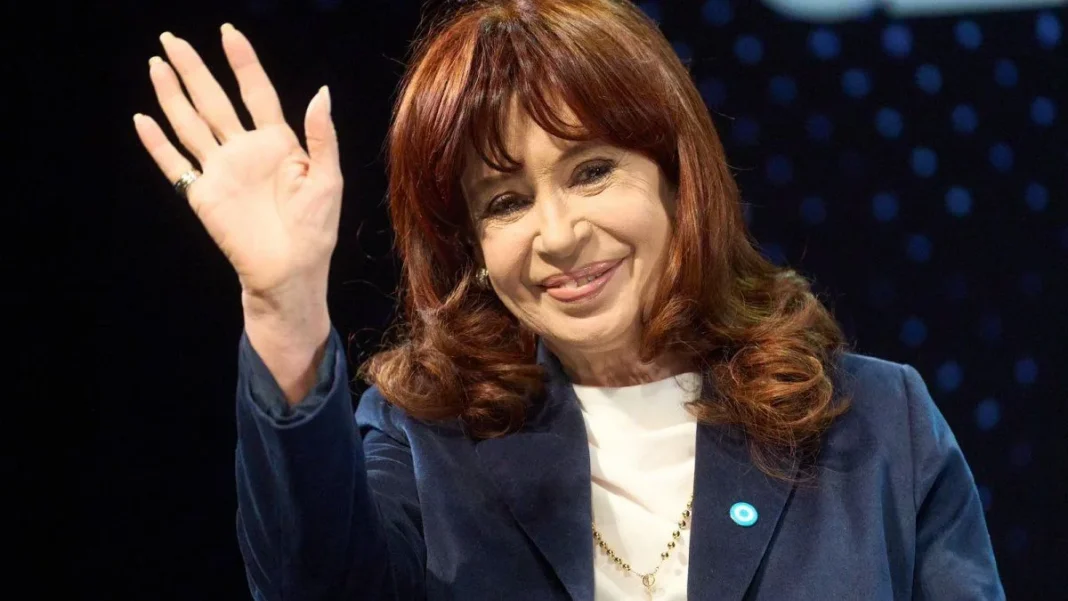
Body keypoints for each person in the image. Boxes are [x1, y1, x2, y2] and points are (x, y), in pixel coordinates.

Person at [132, 1, 1005, 599]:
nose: (558, 234)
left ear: (676, 179)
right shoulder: (426, 443)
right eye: (506, 201)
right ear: (471, 249)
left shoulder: (878, 423)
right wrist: (284, 305)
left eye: (592, 172)